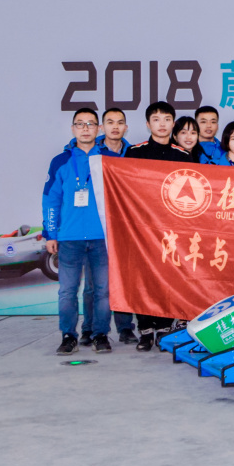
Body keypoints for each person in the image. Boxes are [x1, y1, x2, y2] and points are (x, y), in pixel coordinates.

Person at [126, 102, 195, 351]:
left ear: (173, 123)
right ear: (148, 124)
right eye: (156, 119)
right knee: (143, 279)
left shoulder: (183, 155)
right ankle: (145, 330)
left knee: (167, 277)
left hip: (171, 230)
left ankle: (164, 328)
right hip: (142, 229)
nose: (162, 124)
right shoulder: (135, 153)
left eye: (167, 119)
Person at [42, 108, 111, 355]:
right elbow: (51, 200)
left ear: (98, 129)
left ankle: (100, 334)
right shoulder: (60, 161)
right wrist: (50, 234)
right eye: (80, 124)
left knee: (103, 291)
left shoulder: (109, 159)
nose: (85, 128)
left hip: (102, 238)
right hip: (69, 238)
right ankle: (68, 336)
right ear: (73, 129)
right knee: (67, 291)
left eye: (90, 124)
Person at [90, 106, 136, 344]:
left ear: (126, 127)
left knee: (124, 280)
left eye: (119, 122)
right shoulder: (93, 154)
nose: (115, 127)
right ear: (102, 127)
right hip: (98, 226)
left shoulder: (134, 154)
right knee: (97, 285)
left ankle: (125, 328)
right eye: (110, 122)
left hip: (125, 226)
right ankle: (94, 331)